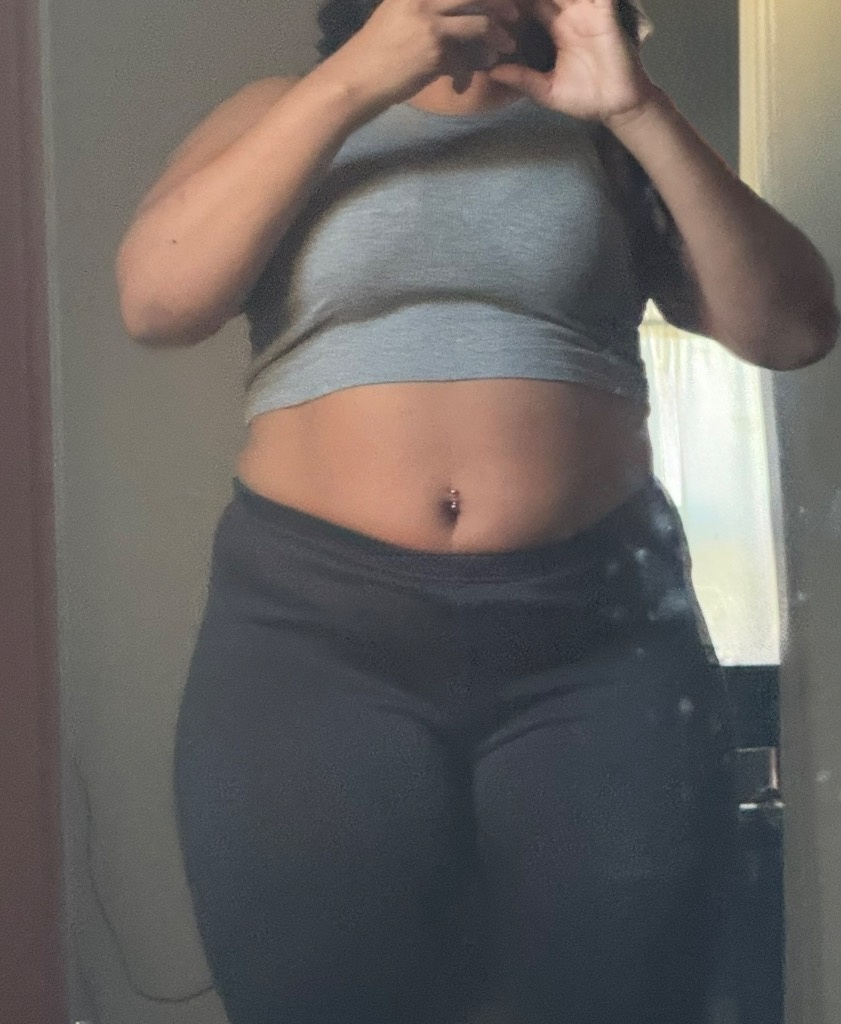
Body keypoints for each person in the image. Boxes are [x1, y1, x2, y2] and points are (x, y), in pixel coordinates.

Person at [116, 1, 838, 1021]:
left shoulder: (604, 129)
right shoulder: (281, 109)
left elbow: (794, 327)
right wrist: (357, 79)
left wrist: (634, 107)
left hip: (597, 641)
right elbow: (156, 302)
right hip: (312, 641)